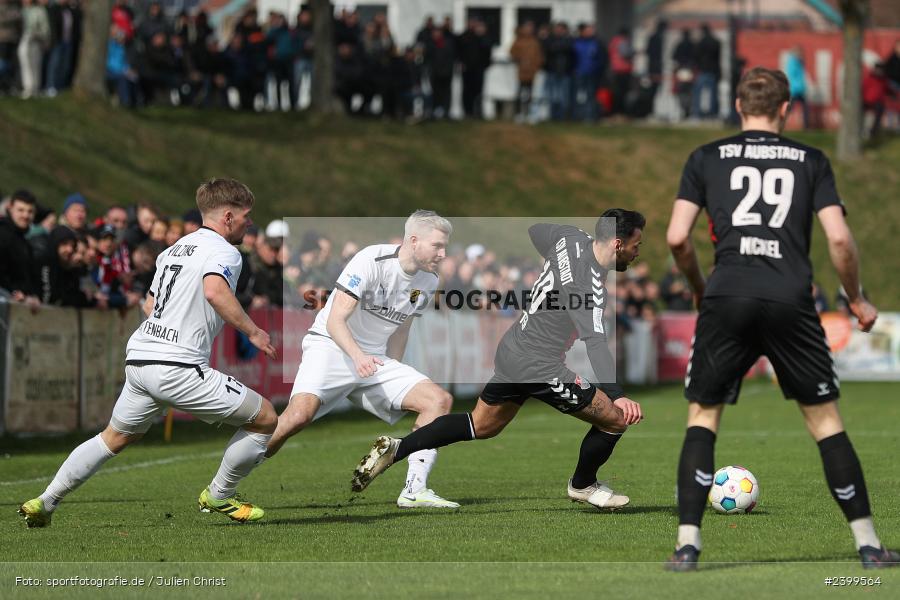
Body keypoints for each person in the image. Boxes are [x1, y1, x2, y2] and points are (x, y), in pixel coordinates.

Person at [664, 67, 899, 571]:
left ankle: (687, 547)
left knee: (703, 417)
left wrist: (703, 289)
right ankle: (869, 547)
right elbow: (838, 238)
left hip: (727, 294)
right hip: (790, 296)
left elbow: (677, 237)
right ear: (786, 109)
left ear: (737, 106)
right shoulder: (810, 160)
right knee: (825, 421)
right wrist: (856, 299)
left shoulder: (705, 157)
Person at [19, 178, 279, 527]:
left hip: (141, 358)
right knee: (265, 418)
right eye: (247, 216)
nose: (250, 223)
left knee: (113, 436)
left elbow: (150, 304)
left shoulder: (173, 249)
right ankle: (219, 495)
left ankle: (45, 501)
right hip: (178, 366)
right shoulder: (225, 252)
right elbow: (216, 292)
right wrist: (254, 331)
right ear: (228, 217)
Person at [352, 210, 646, 511]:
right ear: (618, 244)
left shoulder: (570, 238)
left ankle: (398, 448)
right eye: (637, 245)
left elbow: (536, 229)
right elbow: (596, 343)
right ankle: (583, 485)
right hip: (538, 364)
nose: (638, 252)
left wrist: (555, 267)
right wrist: (618, 395)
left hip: (513, 349)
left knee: (481, 425)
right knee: (615, 419)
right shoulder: (590, 289)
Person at [266, 210, 459, 509]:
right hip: (331, 347)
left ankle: (414, 490)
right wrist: (357, 357)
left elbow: (401, 329)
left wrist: (396, 369)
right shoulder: (371, 259)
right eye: (437, 245)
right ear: (413, 240)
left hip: (374, 360)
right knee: (296, 418)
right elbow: (334, 320)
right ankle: (224, 484)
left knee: (438, 401)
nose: (443, 253)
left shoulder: (430, 280)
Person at [0, 188, 40, 306]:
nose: (25, 215)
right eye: (21, 210)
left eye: (30, 211)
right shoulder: (3, 235)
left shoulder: (25, 242)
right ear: (10, 208)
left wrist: (30, 295)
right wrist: (14, 293)